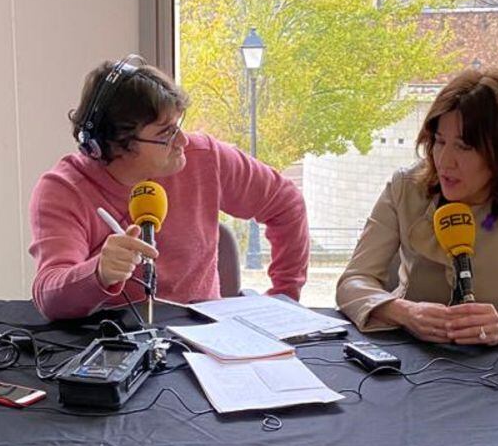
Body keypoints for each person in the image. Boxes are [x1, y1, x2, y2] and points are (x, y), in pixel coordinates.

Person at [29, 55, 309, 320]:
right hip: (113, 341)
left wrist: (284, 296)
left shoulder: (205, 157)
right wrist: (98, 273)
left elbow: (286, 204)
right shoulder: (63, 190)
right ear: (114, 143)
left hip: (203, 341)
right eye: (166, 133)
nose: (183, 142)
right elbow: (49, 295)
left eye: (178, 126)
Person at [335, 67, 498, 345]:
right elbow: (353, 282)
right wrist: (404, 312)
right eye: (439, 141)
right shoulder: (405, 185)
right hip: (411, 357)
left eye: (464, 147)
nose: (445, 161)